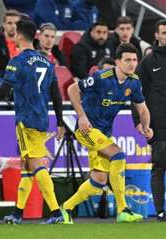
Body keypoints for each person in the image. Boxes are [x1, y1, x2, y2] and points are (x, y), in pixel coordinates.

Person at [0, 19, 65, 224]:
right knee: (27, 167)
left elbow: (4, 90)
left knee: (36, 164)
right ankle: (17, 213)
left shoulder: (17, 61)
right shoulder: (47, 62)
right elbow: (56, 94)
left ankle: (56, 212)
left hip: (26, 119)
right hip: (41, 118)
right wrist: (60, 121)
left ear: (19, 36)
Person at [61, 43, 153, 224]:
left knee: (99, 181)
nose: (132, 64)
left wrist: (146, 126)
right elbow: (72, 89)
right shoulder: (101, 78)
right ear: (118, 62)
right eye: (127, 60)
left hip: (103, 134)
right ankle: (123, 210)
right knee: (118, 154)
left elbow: (142, 109)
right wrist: (81, 116)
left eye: (134, 60)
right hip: (86, 130)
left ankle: (66, 208)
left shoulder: (133, 82)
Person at [132, 19, 166, 222]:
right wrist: (138, 120)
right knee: (159, 166)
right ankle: (161, 211)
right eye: (163, 32)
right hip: (158, 123)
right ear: (156, 35)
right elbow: (136, 92)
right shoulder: (148, 62)